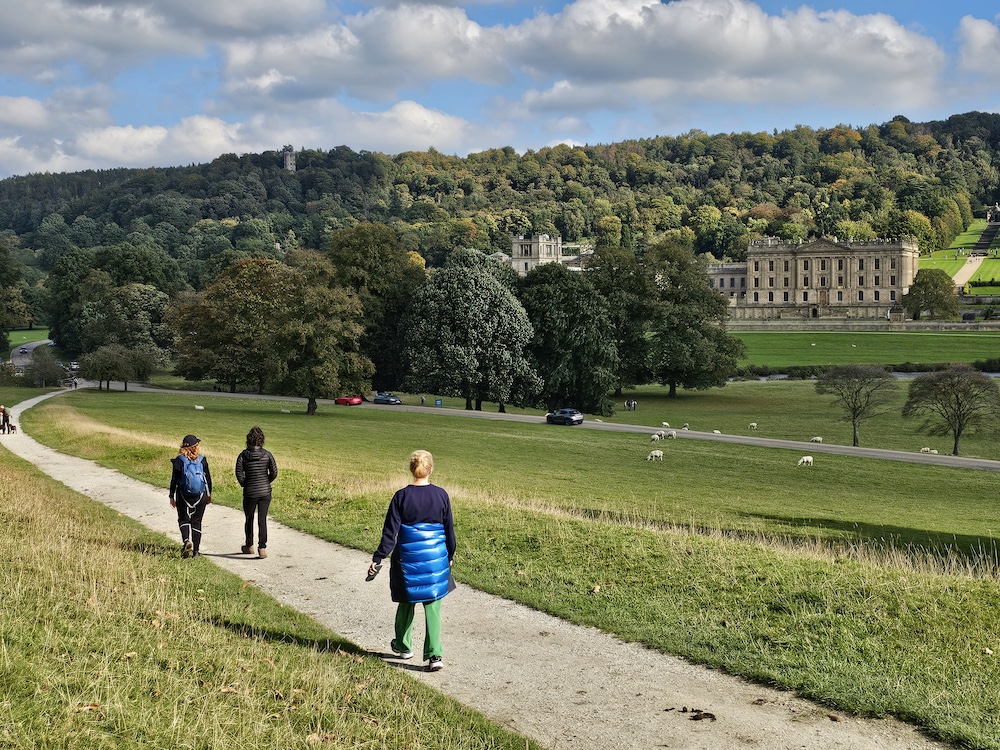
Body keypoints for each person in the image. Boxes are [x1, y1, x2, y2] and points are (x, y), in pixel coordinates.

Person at [368, 449, 455, 672]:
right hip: (435, 559)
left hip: (407, 560)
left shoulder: (401, 496)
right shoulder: (441, 495)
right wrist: (450, 556)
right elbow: (449, 531)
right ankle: (435, 654)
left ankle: (404, 646)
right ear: (431, 469)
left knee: (406, 601)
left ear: (411, 469)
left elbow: (390, 533)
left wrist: (378, 558)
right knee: (433, 605)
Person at [235, 425, 278, 559]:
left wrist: (245, 484)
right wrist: (266, 482)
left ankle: (249, 545)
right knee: (262, 520)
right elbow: (274, 472)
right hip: (265, 492)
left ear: (248, 440)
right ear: (262, 440)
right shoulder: (267, 454)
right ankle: (262, 547)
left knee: (249, 519)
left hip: (250, 492)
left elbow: (239, 473)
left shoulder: (243, 455)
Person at [168, 434, 212, 558]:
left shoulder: (179, 460)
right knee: (197, 521)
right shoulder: (202, 460)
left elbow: (174, 480)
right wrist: (209, 495)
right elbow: (208, 479)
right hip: (200, 496)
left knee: (183, 519)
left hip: (183, 495)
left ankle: (187, 540)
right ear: (196, 446)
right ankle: (196, 551)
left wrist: (172, 496)